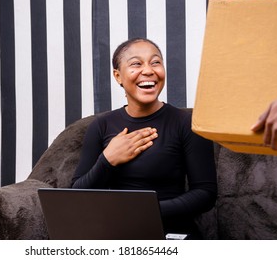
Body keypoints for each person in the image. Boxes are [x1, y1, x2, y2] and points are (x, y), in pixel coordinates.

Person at [71, 38, 217, 239]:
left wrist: (145, 213)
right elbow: (75, 196)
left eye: (155, 62)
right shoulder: (101, 126)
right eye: (136, 64)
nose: (148, 70)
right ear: (118, 76)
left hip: (170, 235)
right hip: (114, 234)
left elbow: (205, 193)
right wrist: (108, 160)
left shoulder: (186, 123)